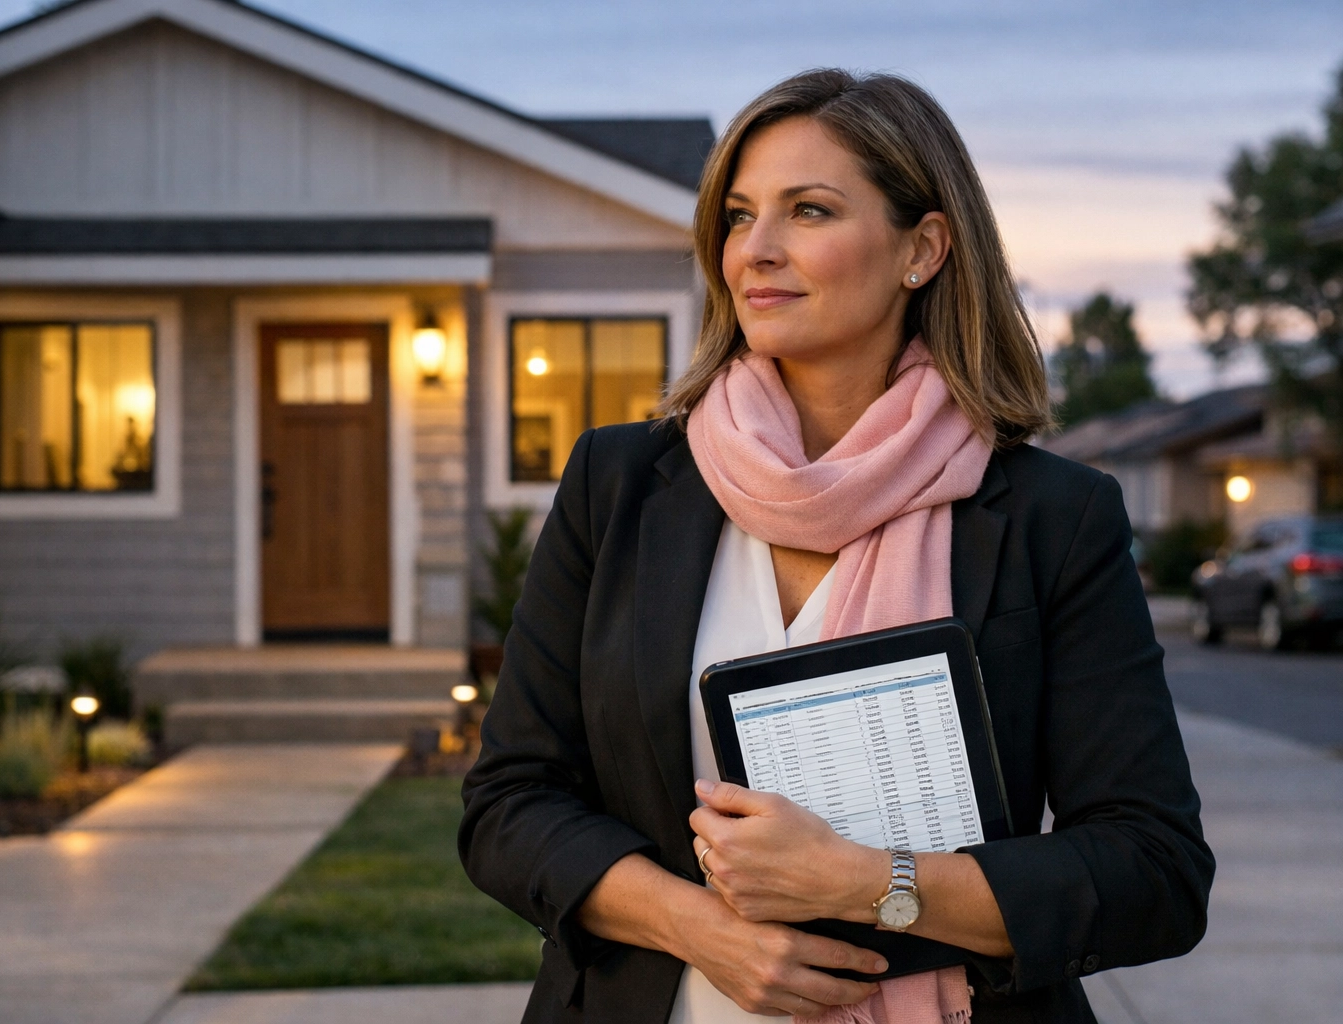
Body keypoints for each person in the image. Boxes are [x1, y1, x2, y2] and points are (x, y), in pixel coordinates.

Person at [459, 68, 1213, 1024]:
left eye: (808, 211)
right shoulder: (620, 490)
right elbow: (510, 803)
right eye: (738, 217)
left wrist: (869, 884)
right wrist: (704, 931)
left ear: (924, 249)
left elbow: (1154, 869)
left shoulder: (1048, 518)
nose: (755, 252)